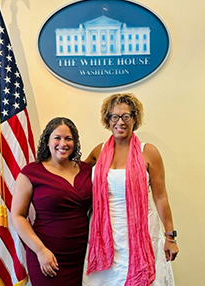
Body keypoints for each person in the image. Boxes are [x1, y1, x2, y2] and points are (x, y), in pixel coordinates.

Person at [82, 93, 179, 286]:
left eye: (126, 116)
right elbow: (77, 180)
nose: (120, 122)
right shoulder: (98, 152)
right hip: (103, 235)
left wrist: (170, 236)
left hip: (142, 233)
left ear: (135, 119)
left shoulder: (148, 152)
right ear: (107, 120)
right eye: (114, 117)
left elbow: (160, 197)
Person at [11, 117, 92, 286]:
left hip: (82, 257)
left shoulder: (86, 170)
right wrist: (40, 251)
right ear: (47, 141)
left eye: (68, 138)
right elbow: (18, 216)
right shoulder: (31, 172)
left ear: (75, 143)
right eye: (57, 138)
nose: (63, 143)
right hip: (47, 257)